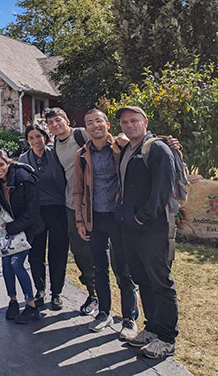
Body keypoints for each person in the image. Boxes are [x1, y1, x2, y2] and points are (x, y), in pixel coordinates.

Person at [115, 106, 179, 359]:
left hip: (153, 227)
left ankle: (167, 338)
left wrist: (142, 216)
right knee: (143, 279)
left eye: (134, 121)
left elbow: (163, 190)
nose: (129, 125)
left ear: (145, 122)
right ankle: (151, 329)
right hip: (131, 228)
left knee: (161, 282)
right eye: (124, 122)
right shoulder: (128, 150)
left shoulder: (158, 149)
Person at [73, 109, 139, 339]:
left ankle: (129, 318)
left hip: (118, 217)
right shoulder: (83, 154)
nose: (94, 126)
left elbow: (146, 143)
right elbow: (78, 190)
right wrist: (80, 220)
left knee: (123, 269)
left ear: (108, 124)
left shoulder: (123, 146)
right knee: (100, 268)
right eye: (89, 123)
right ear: (86, 128)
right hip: (94, 218)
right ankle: (104, 312)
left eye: (98, 121)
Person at [44, 107, 98, 314]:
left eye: (58, 120)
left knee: (101, 250)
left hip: (95, 203)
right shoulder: (55, 143)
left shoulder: (81, 134)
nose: (55, 125)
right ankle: (94, 294)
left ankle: (124, 295)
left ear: (67, 120)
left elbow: (109, 141)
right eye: (50, 123)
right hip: (71, 204)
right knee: (79, 251)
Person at [0, 150, 44, 324]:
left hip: (28, 228)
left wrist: (14, 227)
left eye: (1, 164)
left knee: (16, 264)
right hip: (12, 230)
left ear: (8, 163)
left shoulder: (23, 178)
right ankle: (13, 301)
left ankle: (31, 305)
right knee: (6, 263)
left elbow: (33, 210)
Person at [18, 124, 68, 311]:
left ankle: (57, 293)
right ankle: (40, 290)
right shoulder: (23, 159)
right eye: (31, 137)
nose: (35, 141)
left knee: (58, 252)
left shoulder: (56, 155)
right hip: (35, 213)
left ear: (45, 137)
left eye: (38, 136)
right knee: (36, 254)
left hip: (58, 209)